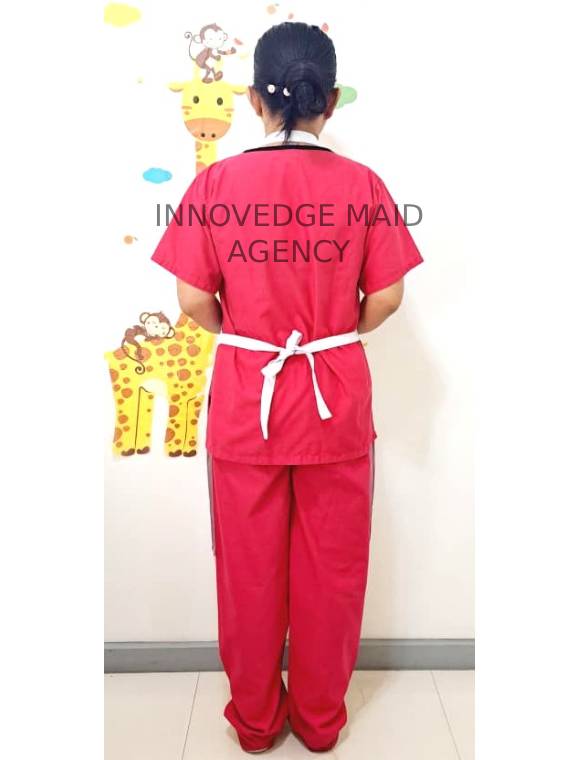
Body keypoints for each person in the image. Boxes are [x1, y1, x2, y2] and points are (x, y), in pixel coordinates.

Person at [151, 21, 423, 754]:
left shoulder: (217, 186)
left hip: (249, 398)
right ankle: (321, 722)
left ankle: (256, 723)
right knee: (333, 571)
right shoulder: (363, 186)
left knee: (248, 572)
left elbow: (191, 298)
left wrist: (245, 333)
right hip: (335, 395)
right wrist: (338, 331)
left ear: (252, 100)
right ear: (330, 100)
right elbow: (388, 296)